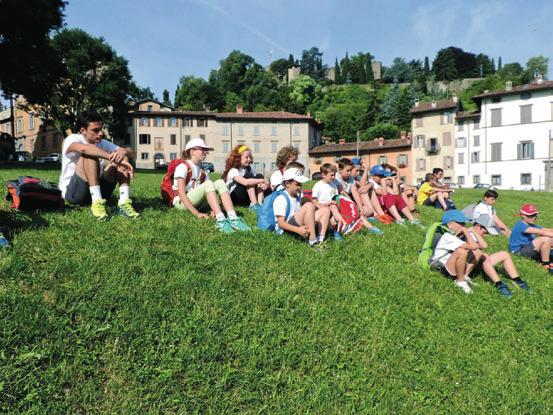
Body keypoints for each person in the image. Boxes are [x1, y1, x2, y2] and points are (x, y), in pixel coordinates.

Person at [58, 111, 139, 220]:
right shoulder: (72, 139)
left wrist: (123, 152)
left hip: (100, 191)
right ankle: (96, 202)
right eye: (95, 130)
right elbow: (84, 149)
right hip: (73, 194)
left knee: (122, 156)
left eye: (101, 129)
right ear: (83, 130)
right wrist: (111, 156)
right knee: (90, 154)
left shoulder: (101, 141)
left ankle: (124, 203)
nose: (100, 133)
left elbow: (133, 153)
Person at [172, 138, 251, 234]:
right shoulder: (183, 167)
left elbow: (211, 191)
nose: (205, 152)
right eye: (202, 149)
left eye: (206, 150)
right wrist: (196, 213)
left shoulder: (202, 170)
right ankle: (221, 220)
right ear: (192, 151)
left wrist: (212, 209)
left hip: (197, 202)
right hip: (181, 203)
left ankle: (233, 217)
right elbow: (182, 194)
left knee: (220, 182)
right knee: (208, 183)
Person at [431, 210, 513, 297]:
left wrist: (467, 232)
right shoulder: (447, 237)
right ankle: (461, 281)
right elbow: (474, 246)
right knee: (461, 251)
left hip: (451, 267)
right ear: (450, 224)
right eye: (461, 224)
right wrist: (467, 232)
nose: (464, 226)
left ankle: (464, 276)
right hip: (442, 269)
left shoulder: (454, 236)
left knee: (478, 252)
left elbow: (477, 248)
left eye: (464, 224)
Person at [273, 167, 330, 247]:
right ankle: (312, 241)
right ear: (287, 184)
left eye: (301, 184)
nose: (300, 187)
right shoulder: (281, 199)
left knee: (325, 210)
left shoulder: (298, 196)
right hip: (288, 231)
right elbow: (281, 223)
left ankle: (320, 239)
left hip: (299, 224)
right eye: (297, 184)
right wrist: (298, 230)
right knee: (308, 206)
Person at [470, 214, 529, 291]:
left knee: (504, 254)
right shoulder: (470, 235)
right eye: (485, 232)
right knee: (485, 257)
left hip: (476, 263)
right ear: (478, 226)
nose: (486, 235)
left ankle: (517, 280)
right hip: (469, 267)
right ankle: (499, 284)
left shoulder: (474, 235)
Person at [222, 145, 270, 211]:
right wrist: (263, 180)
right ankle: (254, 203)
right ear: (238, 158)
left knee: (259, 176)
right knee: (249, 177)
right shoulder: (233, 170)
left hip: (245, 198)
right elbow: (245, 182)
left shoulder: (249, 169)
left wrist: (263, 182)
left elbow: (258, 179)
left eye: (250, 157)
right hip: (234, 199)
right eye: (246, 157)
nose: (249, 159)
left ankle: (259, 204)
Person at [509, 204, 553, 273]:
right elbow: (543, 233)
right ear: (523, 215)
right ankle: (545, 265)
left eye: (535, 215)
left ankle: (549, 261)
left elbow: (546, 230)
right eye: (531, 215)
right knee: (545, 239)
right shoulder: (520, 225)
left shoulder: (531, 225)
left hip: (529, 248)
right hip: (518, 251)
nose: (534, 217)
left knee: (549, 240)